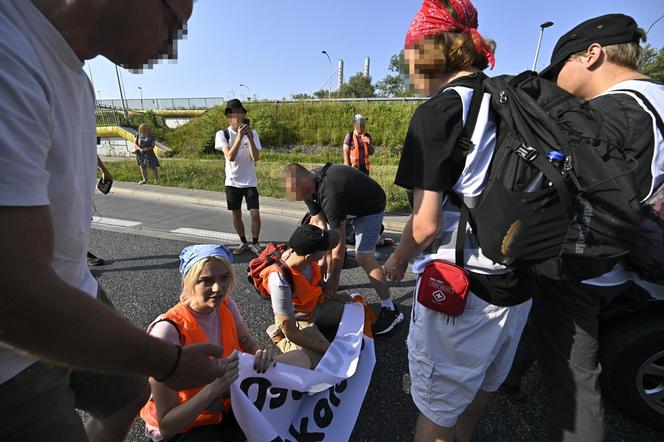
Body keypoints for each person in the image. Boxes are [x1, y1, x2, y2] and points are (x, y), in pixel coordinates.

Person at [0, 1, 234, 441]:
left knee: (127, 393)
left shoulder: (75, 78)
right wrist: (167, 361)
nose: (172, 49)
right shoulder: (10, 55)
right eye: (172, 24)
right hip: (11, 358)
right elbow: (13, 295)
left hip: (74, 289)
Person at [502, 14, 663, 442]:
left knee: (577, 383)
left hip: (590, 267)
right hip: (642, 262)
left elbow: (563, 193)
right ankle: (510, 376)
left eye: (560, 69)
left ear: (592, 54)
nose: (557, 81)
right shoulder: (658, 100)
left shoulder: (610, 113)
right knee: (546, 327)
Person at [383, 1, 532, 440]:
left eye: (409, 54)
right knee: (478, 392)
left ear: (429, 52)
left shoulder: (441, 112)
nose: (408, 66)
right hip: (518, 285)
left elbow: (425, 225)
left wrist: (397, 260)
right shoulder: (513, 98)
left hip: (462, 293)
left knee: (437, 412)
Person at [141, 245, 309, 441]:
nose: (218, 288)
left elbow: (245, 340)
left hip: (229, 399)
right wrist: (214, 389)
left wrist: (259, 354)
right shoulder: (168, 330)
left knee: (299, 359)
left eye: (224, 278)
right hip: (190, 422)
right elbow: (167, 425)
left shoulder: (227, 304)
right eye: (206, 280)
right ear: (188, 280)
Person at [283, 163, 404, 335]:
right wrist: (323, 257)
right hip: (349, 203)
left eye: (295, 191)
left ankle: (391, 310)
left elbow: (338, 243)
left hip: (370, 206)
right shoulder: (308, 187)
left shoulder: (331, 193)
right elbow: (319, 223)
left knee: (363, 256)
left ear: (303, 183)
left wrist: (334, 277)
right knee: (327, 255)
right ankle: (374, 239)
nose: (294, 196)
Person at [261, 224, 353, 368]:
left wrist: (335, 296)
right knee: (320, 360)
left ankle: (317, 330)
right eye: (324, 248)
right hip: (297, 319)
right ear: (310, 256)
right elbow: (291, 332)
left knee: (354, 310)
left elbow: (316, 283)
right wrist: (325, 347)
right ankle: (278, 336)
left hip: (316, 305)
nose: (328, 249)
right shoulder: (279, 280)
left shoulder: (306, 257)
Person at [215, 99, 263, 256]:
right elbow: (230, 156)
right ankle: (243, 242)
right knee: (237, 214)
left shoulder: (253, 133)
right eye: (233, 114)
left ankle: (255, 243)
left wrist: (248, 138)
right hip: (233, 182)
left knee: (255, 213)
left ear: (243, 115)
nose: (237, 117)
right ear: (229, 116)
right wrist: (238, 137)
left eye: (240, 113)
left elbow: (255, 157)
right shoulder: (223, 134)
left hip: (250, 181)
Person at [88, 152, 113, 267]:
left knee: (84, 220)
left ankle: (80, 251)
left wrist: (103, 170)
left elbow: (89, 148)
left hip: (81, 182)